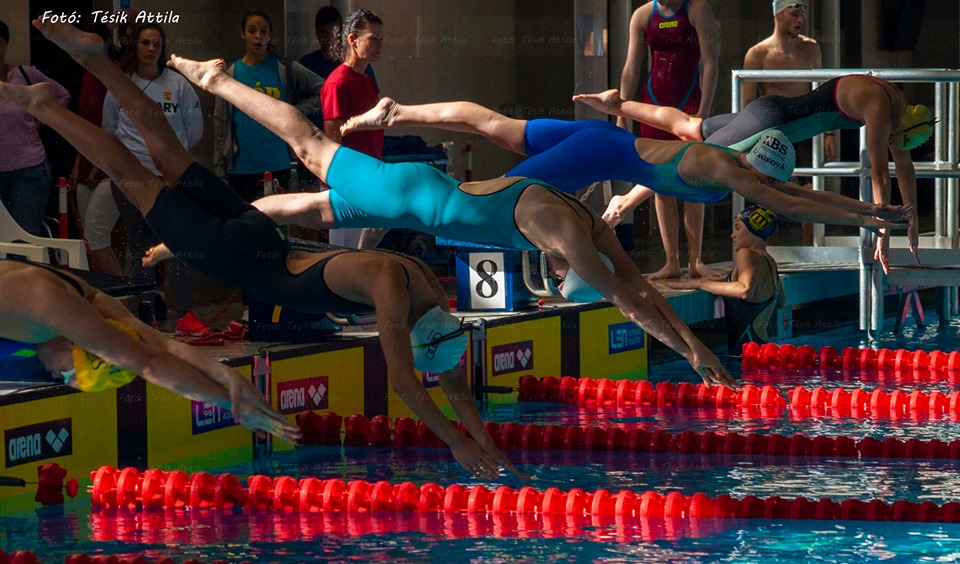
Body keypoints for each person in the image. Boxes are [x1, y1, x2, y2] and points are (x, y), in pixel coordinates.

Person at [171, 52, 910, 390]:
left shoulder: (582, 217)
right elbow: (629, 295)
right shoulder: (570, 224)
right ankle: (218, 78)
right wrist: (689, 351)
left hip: (478, 185)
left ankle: (201, 221)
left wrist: (693, 347)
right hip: (424, 199)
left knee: (318, 205)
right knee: (308, 148)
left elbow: (634, 286)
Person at [13, 20, 524, 481]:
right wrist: (456, 441)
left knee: (166, 148)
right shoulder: (390, 293)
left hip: (257, 234)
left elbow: (452, 377)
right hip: (229, 255)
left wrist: (484, 441)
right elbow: (407, 383)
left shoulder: (422, 283)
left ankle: (98, 59)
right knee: (132, 174)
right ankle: (44, 107)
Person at [339, 97, 909, 237]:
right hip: (599, 154)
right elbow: (794, 202)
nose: (767, 190)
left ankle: (400, 112)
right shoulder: (729, 170)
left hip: (604, 138)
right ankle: (373, 194)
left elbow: (665, 116)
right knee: (484, 199)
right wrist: (869, 217)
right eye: (766, 182)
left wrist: (873, 210)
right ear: (761, 171)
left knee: (494, 125)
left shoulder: (726, 151)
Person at [573, 75, 933, 273]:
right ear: (899, 127)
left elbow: (903, 166)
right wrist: (882, 231)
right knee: (695, 155)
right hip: (769, 127)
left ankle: (617, 104)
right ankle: (627, 199)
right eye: (894, 140)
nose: (892, 144)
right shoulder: (880, 109)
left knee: (690, 127)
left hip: (768, 115)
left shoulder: (893, 100)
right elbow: (881, 175)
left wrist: (911, 222)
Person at [0, 259, 300, 443]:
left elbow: (158, 343)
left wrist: (228, 375)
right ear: (81, 345)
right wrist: (230, 405)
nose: (55, 375)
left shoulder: (74, 295)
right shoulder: (56, 309)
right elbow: (149, 364)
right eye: (64, 374)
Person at [103, 22, 204, 328]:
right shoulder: (122, 85)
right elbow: (110, 129)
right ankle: (146, 314)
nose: (150, 49)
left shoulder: (178, 84)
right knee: (140, 247)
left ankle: (185, 312)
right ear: (136, 46)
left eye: (156, 44)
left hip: (171, 179)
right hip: (132, 179)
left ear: (162, 48)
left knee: (180, 244)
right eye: (145, 43)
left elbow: (194, 130)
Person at [617, 0, 721, 279]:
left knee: (691, 179)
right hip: (652, 107)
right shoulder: (641, 15)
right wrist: (621, 112)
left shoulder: (697, 9)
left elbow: (711, 63)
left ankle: (696, 260)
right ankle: (671, 262)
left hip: (688, 106)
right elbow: (631, 68)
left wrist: (703, 111)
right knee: (660, 182)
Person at [214, 9, 323, 203]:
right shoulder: (230, 74)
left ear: (270, 35)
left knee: (275, 226)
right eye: (252, 30)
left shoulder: (284, 69)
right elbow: (221, 125)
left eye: (263, 31)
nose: (258, 36)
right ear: (243, 34)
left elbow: (323, 90)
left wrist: (295, 111)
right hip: (241, 167)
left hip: (277, 163)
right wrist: (219, 171)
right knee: (246, 224)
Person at [740, 0, 826, 245]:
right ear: (778, 15)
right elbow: (747, 105)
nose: (800, 20)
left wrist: (828, 135)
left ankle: (812, 251)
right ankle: (769, 252)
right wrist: (746, 144)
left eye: (803, 15)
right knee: (769, 194)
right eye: (794, 14)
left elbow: (822, 93)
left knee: (811, 193)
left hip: (807, 128)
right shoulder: (758, 54)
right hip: (773, 133)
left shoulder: (811, 49)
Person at [663, 205, 784, 355]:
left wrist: (700, 283)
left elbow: (744, 289)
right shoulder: (770, 262)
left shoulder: (746, 253)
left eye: (738, 228)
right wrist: (724, 280)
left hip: (743, 358)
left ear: (754, 231)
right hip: (762, 352)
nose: (733, 235)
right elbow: (780, 301)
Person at [319, 8, 385, 248]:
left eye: (381, 39)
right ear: (353, 40)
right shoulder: (337, 83)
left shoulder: (368, 81)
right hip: (347, 183)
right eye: (373, 39)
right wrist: (339, 184)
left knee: (365, 253)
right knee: (345, 256)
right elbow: (332, 141)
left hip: (370, 177)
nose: (379, 45)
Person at [0, 19, 70, 236]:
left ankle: (30, 270)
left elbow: (62, 95)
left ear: (4, 45)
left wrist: (42, 120)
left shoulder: (24, 75)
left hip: (27, 169)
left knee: (23, 238)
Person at [70, 23, 122, 276]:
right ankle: (99, 296)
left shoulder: (115, 73)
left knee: (99, 236)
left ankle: (120, 297)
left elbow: (114, 128)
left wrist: (103, 165)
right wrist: (79, 164)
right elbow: (85, 123)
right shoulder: (87, 74)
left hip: (111, 167)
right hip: (88, 161)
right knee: (89, 239)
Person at [299, 5, 379, 84]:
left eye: (334, 33)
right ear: (317, 33)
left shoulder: (357, 63)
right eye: (323, 32)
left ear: (340, 33)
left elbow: (372, 94)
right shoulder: (307, 64)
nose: (329, 37)